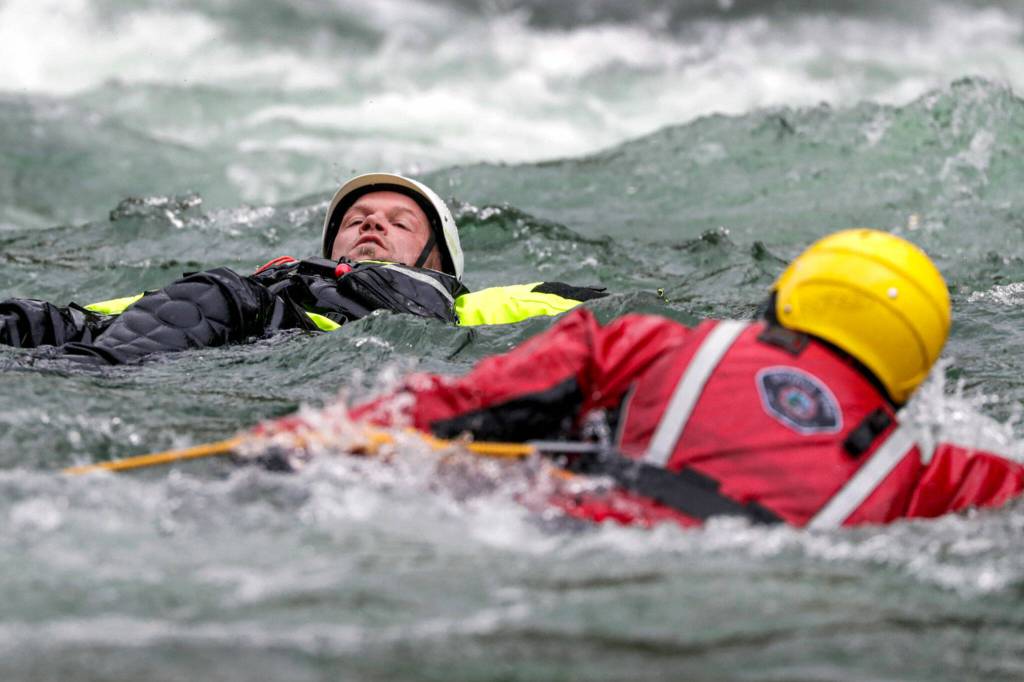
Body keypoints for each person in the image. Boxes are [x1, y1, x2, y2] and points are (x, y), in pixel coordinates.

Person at [350, 229, 1024, 529]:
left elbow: (451, 406)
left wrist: (323, 436)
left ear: (783, 299)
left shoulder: (656, 343)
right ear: (911, 375)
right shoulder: (930, 475)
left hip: (573, 540)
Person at [0, 173, 606, 364]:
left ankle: (87, 373)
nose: (373, 225)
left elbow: (591, 306)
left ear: (438, 260)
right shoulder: (279, 276)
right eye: (358, 219)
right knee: (37, 318)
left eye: (399, 223)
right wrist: (66, 320)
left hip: (307, 341)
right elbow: (128, 311)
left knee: (217, 291)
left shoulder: (465, 304)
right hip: (221, 324)